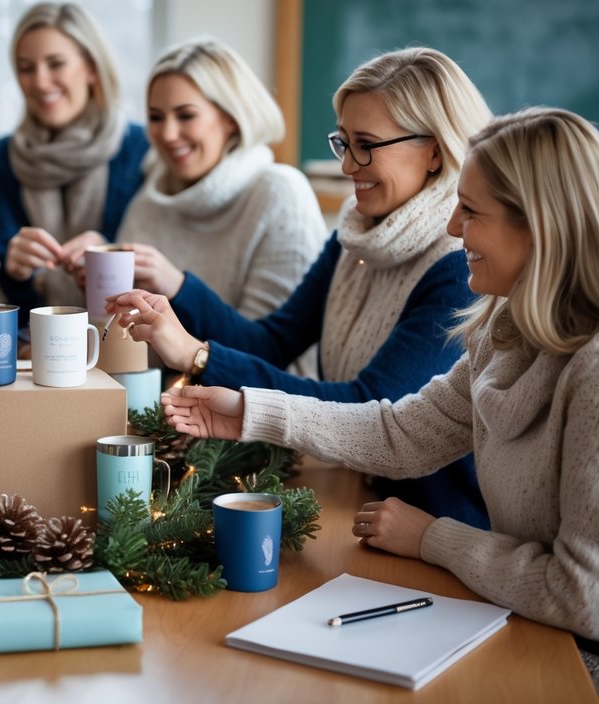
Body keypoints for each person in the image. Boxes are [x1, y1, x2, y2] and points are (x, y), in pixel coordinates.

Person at [160, 107, 599, 650]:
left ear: (538, 226)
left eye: (471, 211)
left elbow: (583, 595)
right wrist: (252, 412)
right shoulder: (502, 332)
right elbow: (402, 432)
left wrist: (434, 539)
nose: (452, 226)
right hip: (519, 620)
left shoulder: (592, 371)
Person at [107, 47, 491, 527]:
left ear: (434, 148)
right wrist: (177, 301)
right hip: (359, 499)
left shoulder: (460, 268)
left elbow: (371, 409)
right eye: (343, 142)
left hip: (433, 523)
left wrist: (199, 358)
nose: (349, 166)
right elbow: (272, 341)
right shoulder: (354, 237)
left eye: (367, 144)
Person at [114, 37, 324, 329]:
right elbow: (122, 331)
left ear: (231, 118)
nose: (168, 134)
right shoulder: (148, 203)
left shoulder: (279, 193)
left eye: (186, 115)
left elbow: (271, 351)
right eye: (155, 117)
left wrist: (178, 287)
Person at [0, 1, 150, 311]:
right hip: (35, 340)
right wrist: (16, 269)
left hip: (123, 338)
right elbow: (8, 292)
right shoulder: (1, 159)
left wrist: (110, 255)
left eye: (56, 63)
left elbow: (159, 263)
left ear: (91, 69)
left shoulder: (142, 148)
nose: (40, 81)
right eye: (26, 68)